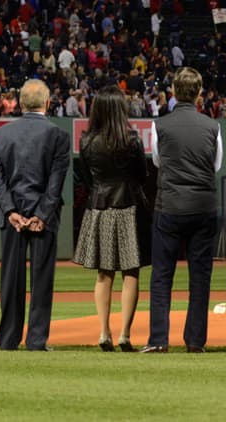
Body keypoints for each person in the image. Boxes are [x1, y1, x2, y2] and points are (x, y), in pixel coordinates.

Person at [142, 67, 222, 354]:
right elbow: (216, 167)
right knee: (200, 277)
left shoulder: (159, 125)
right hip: (203, 207)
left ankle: (159, 340)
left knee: (162, 275)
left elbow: (157, 162)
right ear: (199, 94)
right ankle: (196, 341)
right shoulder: (213, 126)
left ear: (173, 92)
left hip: (170, 205)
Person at [0, 78, 71, 351]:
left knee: (10, 279)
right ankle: (36, 340)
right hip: (43, 219)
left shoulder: (2, 133)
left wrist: (10, 210)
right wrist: (42, 215)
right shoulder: (58, 135)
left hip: (12, 218)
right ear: (48, 103)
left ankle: (8, 339)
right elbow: (55, 183)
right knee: (41, 279)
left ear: (21, 103)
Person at [73, 85, 150, 351]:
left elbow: (85, 178)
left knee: (104, 274)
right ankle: (124, 335)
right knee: (131, 272)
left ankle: (104, 332)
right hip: (128, 206)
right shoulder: (131, 139)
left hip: (99, 207)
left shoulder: (86, 140)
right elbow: (143, 174)